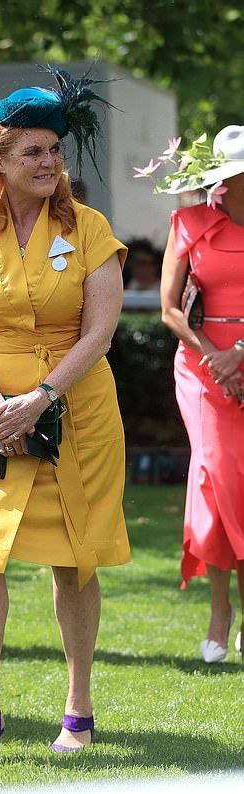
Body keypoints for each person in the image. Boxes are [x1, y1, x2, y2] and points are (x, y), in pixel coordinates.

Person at [0, 67, 130, 762]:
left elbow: (98, 334)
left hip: (75, 409)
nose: (50, 163)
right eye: (34, 152)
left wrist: (41, 398)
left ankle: (79, 705)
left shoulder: (91, 228)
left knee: (75, 559)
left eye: (56, 150)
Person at [160, 125, 244, 663]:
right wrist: (215, 355)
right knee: (216, 474)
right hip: (201, 369)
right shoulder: (188, 223)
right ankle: (220, 607)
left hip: (237, 353)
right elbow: (170, 307)